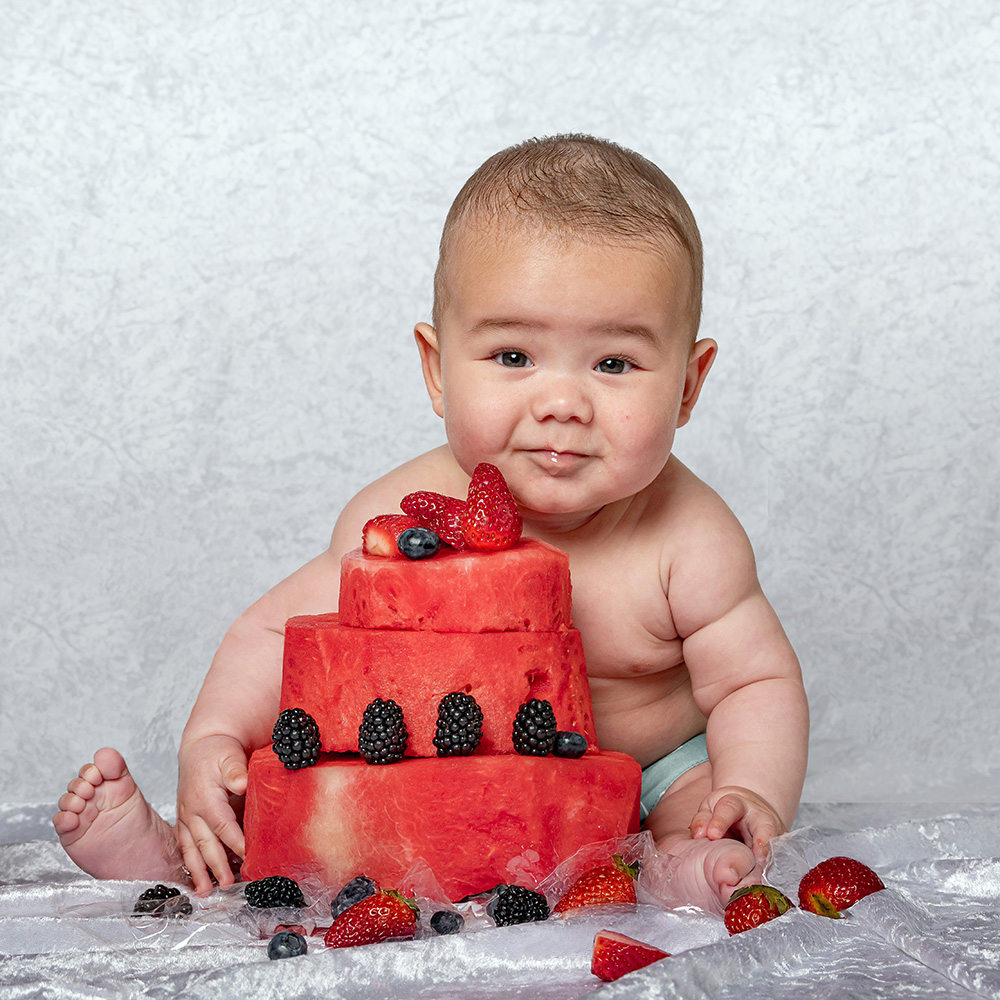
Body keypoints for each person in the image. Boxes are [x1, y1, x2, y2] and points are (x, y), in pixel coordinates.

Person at [53, 134, 809, 911]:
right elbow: (280, 634)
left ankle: (686, 865)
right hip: (432, 774)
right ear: (435, 369)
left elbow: (755, 680)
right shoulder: (399, 520)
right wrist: (210, 740)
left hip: (644, 770)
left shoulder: (690, 539)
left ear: (688, 385)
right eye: (513, 356)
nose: (561, 403)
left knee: (699, 804)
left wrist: (753, 791)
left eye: (613, 364)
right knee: (295, 781)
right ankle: (182, 856)